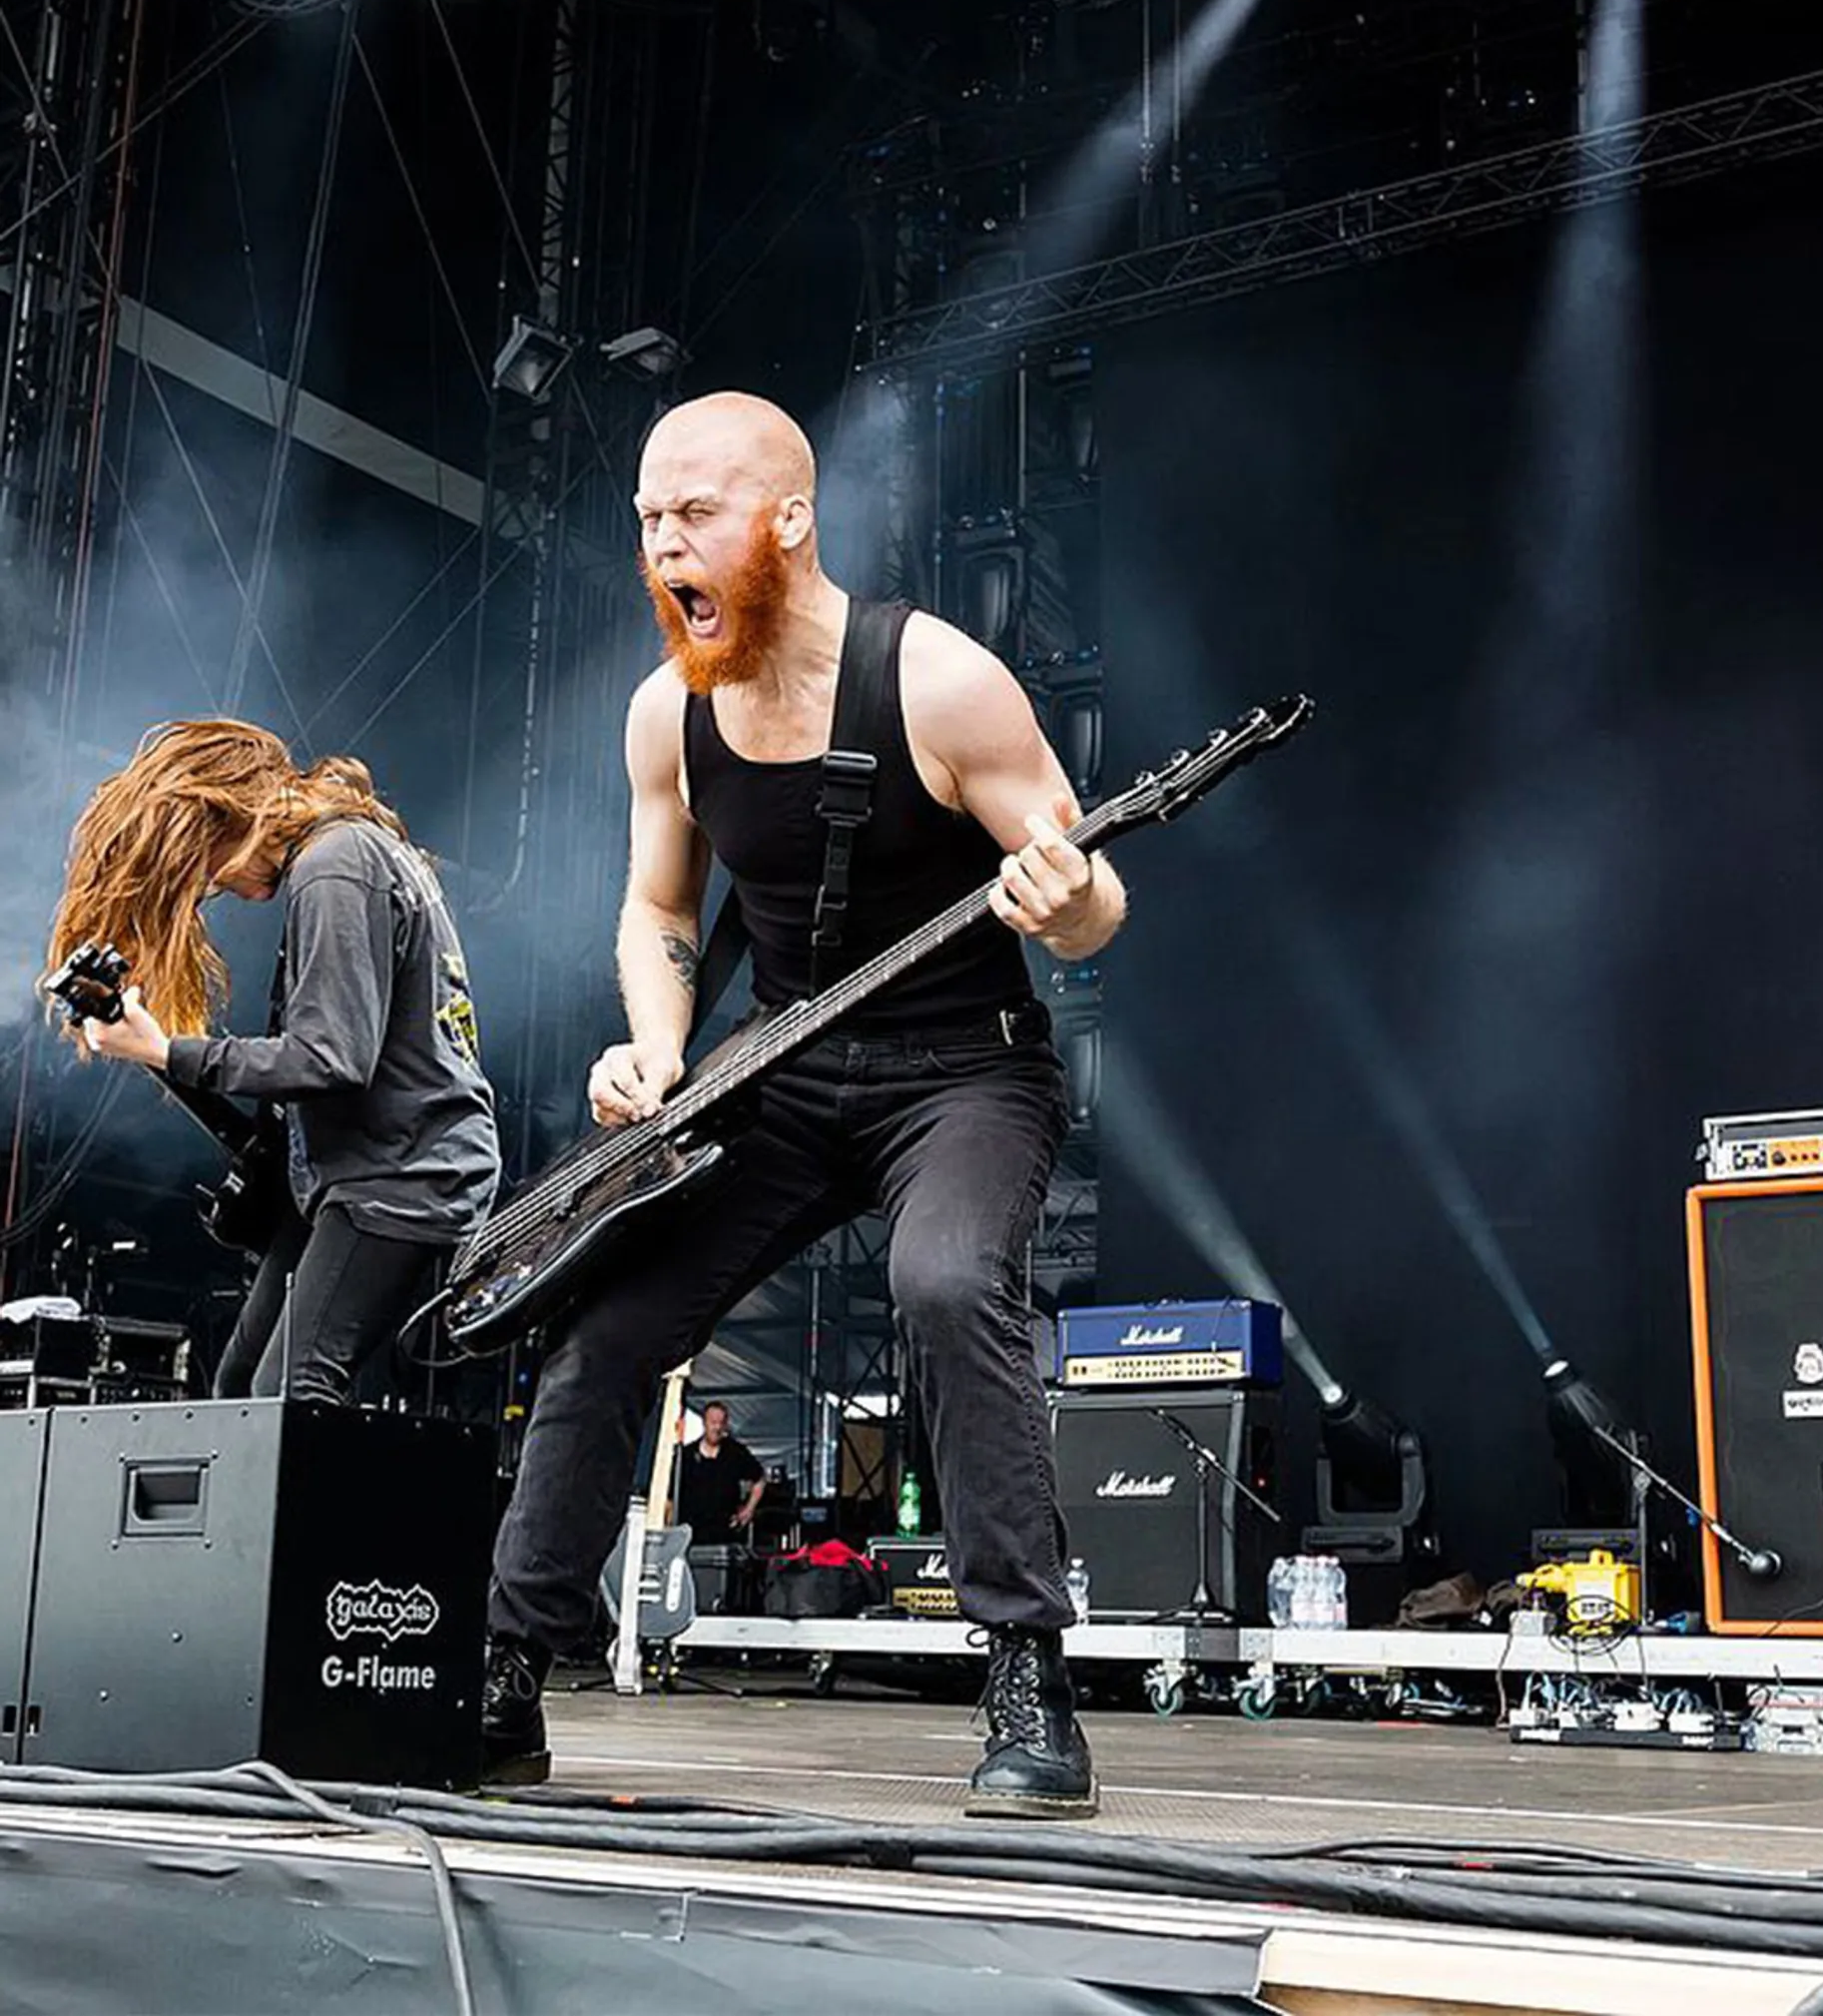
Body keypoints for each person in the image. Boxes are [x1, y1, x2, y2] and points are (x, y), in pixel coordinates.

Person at [474, 392, 1129, 1815]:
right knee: (607, 1322)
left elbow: (1096, 899)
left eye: (692, 515)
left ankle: (1027, 1669)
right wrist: (653, 1048)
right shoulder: (671, 711)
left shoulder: (939, 682)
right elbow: (659, 908)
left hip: (963, 1070)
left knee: (946, 1281)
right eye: (647, 523)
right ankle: (507, 1668)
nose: (662, 549)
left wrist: (1065, 897)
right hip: (776, 1071)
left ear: (787, 517)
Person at [47, 720, 497, 1406]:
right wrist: (156, 1050)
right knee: (237, 1388)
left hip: (402, 1175)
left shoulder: (336, 862)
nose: (216, 884)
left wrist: (167, 1050)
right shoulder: (345, 853)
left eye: (207, 867)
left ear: (228, 809)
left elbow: (331, 1056)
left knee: (291, 1390)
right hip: (360, 1170)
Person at [672, 1401, 769, 1540]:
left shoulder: (736, 1453)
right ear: (704, 1423)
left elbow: (759, 1478)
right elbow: (669, 1496)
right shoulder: (685, 1455)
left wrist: (749, 1510)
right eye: (713, 1422)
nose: (717, 1427)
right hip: (690, 1532)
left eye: (721, 1422)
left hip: (725, 1532)